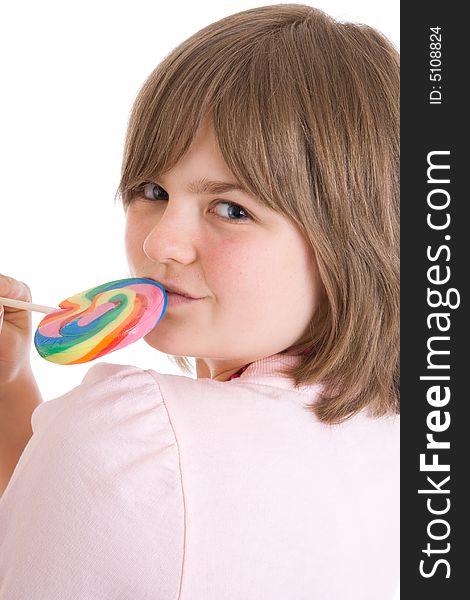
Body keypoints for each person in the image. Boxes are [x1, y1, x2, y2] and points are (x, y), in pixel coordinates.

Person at [0, 4, 399, 598]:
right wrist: (8, 389)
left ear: (351, 237)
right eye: (152, 191)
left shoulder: (128, 434)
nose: (162, 241)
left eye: (232, 209)